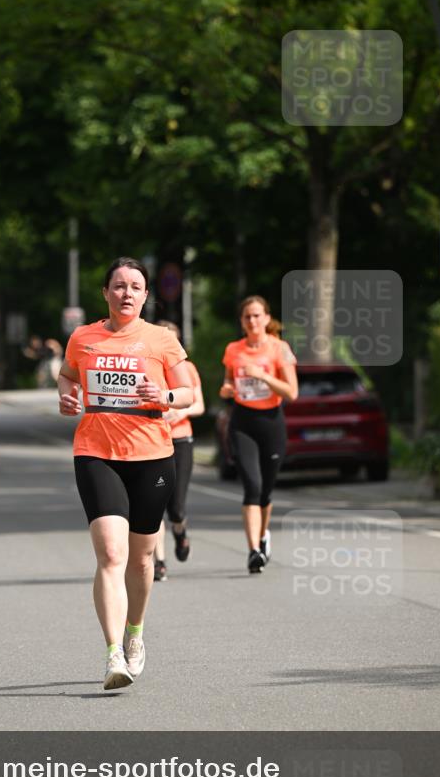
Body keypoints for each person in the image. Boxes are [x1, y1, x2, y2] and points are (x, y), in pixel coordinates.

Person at [58, 256, 194, 690]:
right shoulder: (83, 338)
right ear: (105, 292)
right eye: (118, 285)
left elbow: (189, 389)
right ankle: (113, 653)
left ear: (146, 295)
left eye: (135, 286)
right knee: (111, 555)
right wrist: (67, 396)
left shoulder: (160, 340)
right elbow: (66, 377)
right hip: (96, 451)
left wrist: (166, 394)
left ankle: (135, 631)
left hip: (153, 456)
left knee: (140, 559)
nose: (127, 293)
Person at [220, 297, 298, 573]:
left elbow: (292, 392)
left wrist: (263, 377)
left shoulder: (281, 348)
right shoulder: (233, 349)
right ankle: (254, 550)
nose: (252, 322)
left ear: (266, 318)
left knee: (265, 490)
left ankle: (264, 536)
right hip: (243, 422)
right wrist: (227, 388)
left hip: (271, 423)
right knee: (251, 486)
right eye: (246, 317)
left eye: (256, 316)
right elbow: (228, 380)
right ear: (241, 322)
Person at [153, 321, 205, 582]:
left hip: (181, 441)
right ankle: (159, 561)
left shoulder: (187, 368)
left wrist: (177, 412)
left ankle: (180, 530)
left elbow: (199, 406)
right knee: (154, 506)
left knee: (176, 508)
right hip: (152, 443)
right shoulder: (148, 365)